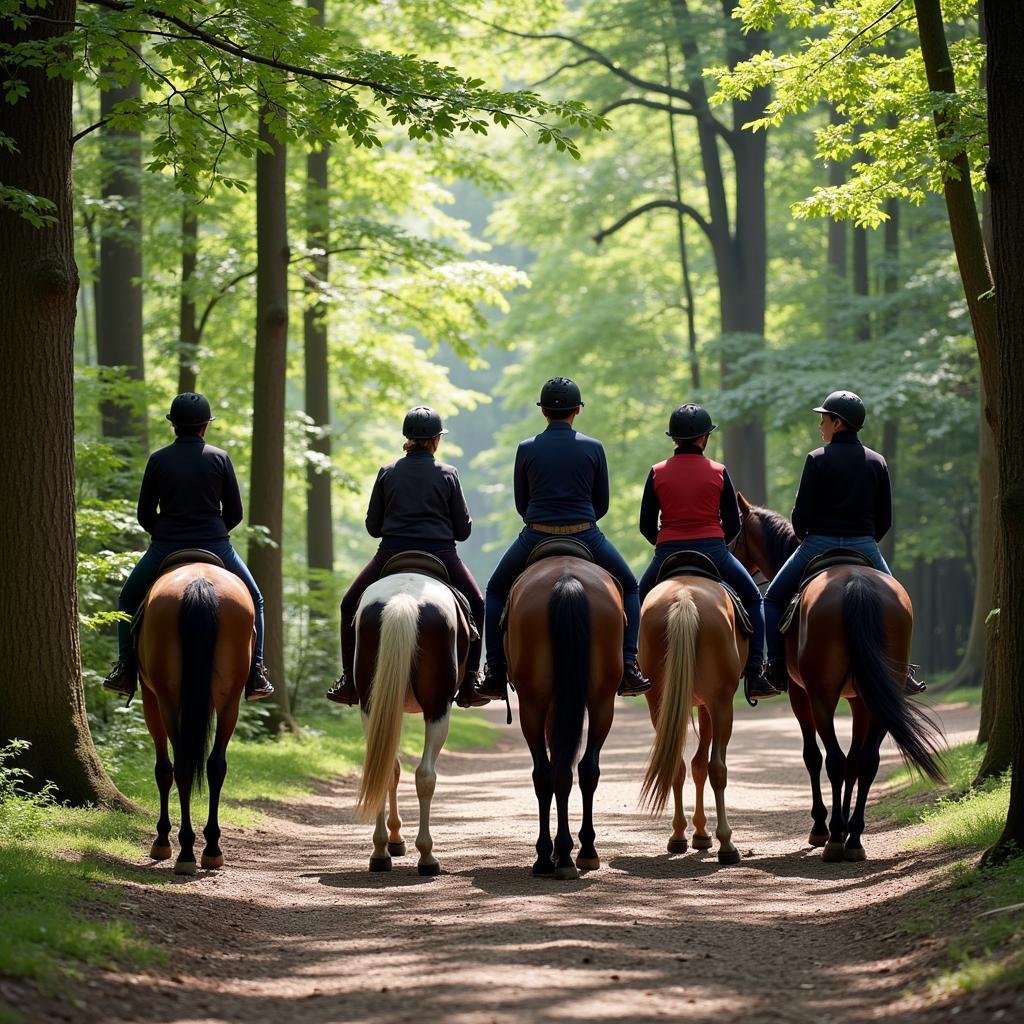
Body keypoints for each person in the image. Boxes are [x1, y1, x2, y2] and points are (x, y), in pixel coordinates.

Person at [476, 377, 651, 702]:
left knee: (496, 589)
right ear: (577, 411)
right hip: (586, 534)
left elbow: (520, 503)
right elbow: (602, 504)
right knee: (630, 587)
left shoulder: (526, 448)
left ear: (543, 411)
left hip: (536, 535)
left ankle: (495, 670)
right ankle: (628, 664)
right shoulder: (593, 447)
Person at [102, 392, 274, 702]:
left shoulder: (158, 459)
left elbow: (144, 515)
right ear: (205, 426)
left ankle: (126, 668)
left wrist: (167, 533)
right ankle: (257, 671)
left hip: (166, 546)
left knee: (128, 598)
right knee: (256, 600)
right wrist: (214, 531)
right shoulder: (220, 458)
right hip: (215, 545)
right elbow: (235, 513)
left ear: (174, 426)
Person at [763, 390, 925, 693]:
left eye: (823, 419)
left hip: (817, 544)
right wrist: (864, 540)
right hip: (864, 545)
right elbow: (885, 518)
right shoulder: (877, 461)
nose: (820, 425)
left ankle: (773, 668)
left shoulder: (816, 459)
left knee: (771, 599)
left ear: (837, 423)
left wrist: (806, 537)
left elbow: (801, 515)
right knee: (900, 603)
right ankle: (903, 672)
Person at [325, 406, 487, 709]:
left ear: (407, 438)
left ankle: (349, 680)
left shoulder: (388, 472)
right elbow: (463, 531)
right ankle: (470, 682)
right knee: (477, 603)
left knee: (349, 604)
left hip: (391, 553)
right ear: (436, 440)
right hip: (441, 553)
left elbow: (373, 528)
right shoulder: (448, 474)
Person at [637, 404, 779, 704]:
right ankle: (755, 672)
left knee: (636, 598)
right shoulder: (719, 472)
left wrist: (664, 542)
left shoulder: (656, 472)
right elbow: (731, 523)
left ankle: (631, 666)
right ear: (705, 438)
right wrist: (718, 543)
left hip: (667, 552)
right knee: (754, 598)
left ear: (674, 439)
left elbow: (645, 525)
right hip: (714, 552)